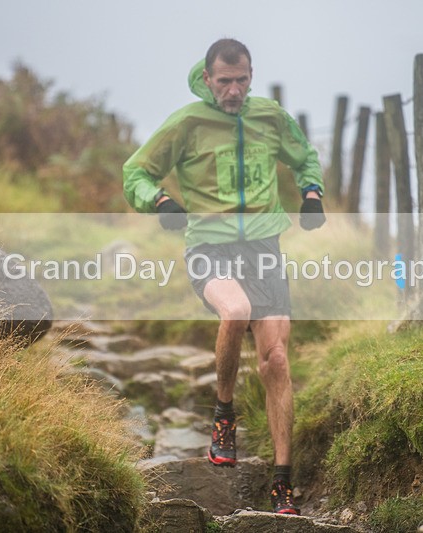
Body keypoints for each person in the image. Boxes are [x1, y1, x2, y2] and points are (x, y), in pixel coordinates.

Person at [122, 38, 325, 515]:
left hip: (263, 248)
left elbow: (304, 158)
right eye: (224, 81)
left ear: (251, 76)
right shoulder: (188, 123)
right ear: (208, 78)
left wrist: (311, 192)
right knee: (235, 312)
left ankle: (281, 483)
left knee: (276, 360)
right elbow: (136, 172)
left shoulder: (270, 117)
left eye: (241, 80)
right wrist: (160, 200)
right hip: (209, 248)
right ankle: (224, 414)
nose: (233, 90)